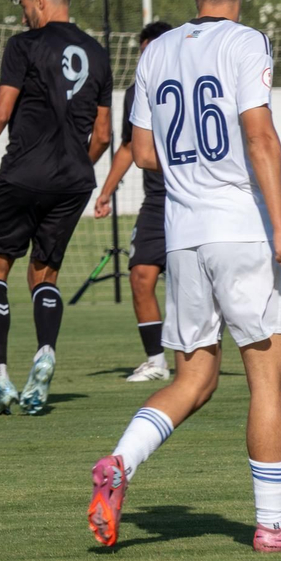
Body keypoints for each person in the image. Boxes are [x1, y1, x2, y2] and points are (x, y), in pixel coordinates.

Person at [88, 0, 281, 553]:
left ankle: (120, 463)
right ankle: (274, 524)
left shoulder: (157, 51)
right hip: (241, 232)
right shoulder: (248, 42)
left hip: (182, 237)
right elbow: (261, 138)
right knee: (269, 375)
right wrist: (280, 227)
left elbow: (143, 151)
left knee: (195, 377)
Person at [0, 0, 112, 416]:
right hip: (74, 180)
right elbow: (102, 135)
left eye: (24, 6)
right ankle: (45, 352)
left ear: (41, 1)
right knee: (44, 272)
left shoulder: (24, 46)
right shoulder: (98, 53)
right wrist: (73, 165)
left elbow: (1, 112)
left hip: (23, 173)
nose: (23, 16)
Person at [93, 22, 176, 383]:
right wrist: (106, 191)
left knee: (222, 283)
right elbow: (128, 146)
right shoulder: (135, 93)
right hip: (157, 201)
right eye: (143, 52)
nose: (146, 58)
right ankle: (156, 360)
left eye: (152, 50)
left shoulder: (190, 82)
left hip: (196, 196)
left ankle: (279, 348)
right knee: (141, 275)